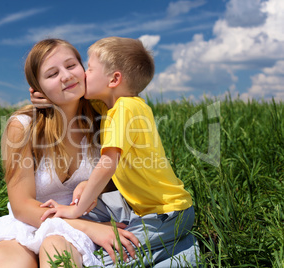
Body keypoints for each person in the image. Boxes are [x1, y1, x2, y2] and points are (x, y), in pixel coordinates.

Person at [0, 38, 139, 268]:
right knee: (7, 261)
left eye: (71, 66)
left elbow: (119, 181)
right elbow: (22, 206)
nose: (66, 76)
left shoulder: (104, 119)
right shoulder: (23, 126)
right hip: (30, 223)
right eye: (52, 74)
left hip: (78, 228)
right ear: (37, 88)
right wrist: (86, 227)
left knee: (56, 251)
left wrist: (93, 188)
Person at [34, 37, 200, 267]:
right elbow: (74, 97)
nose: (83, 74)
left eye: (90, 69)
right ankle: (169, 245)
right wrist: (46, 96)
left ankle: (186, 255)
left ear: (114, 79)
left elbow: (107, 163)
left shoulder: (123, 110)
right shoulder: (114, 105)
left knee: (109, 260)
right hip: (139, 205)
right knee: (80, 218)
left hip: (165, 214)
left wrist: (77, 210)